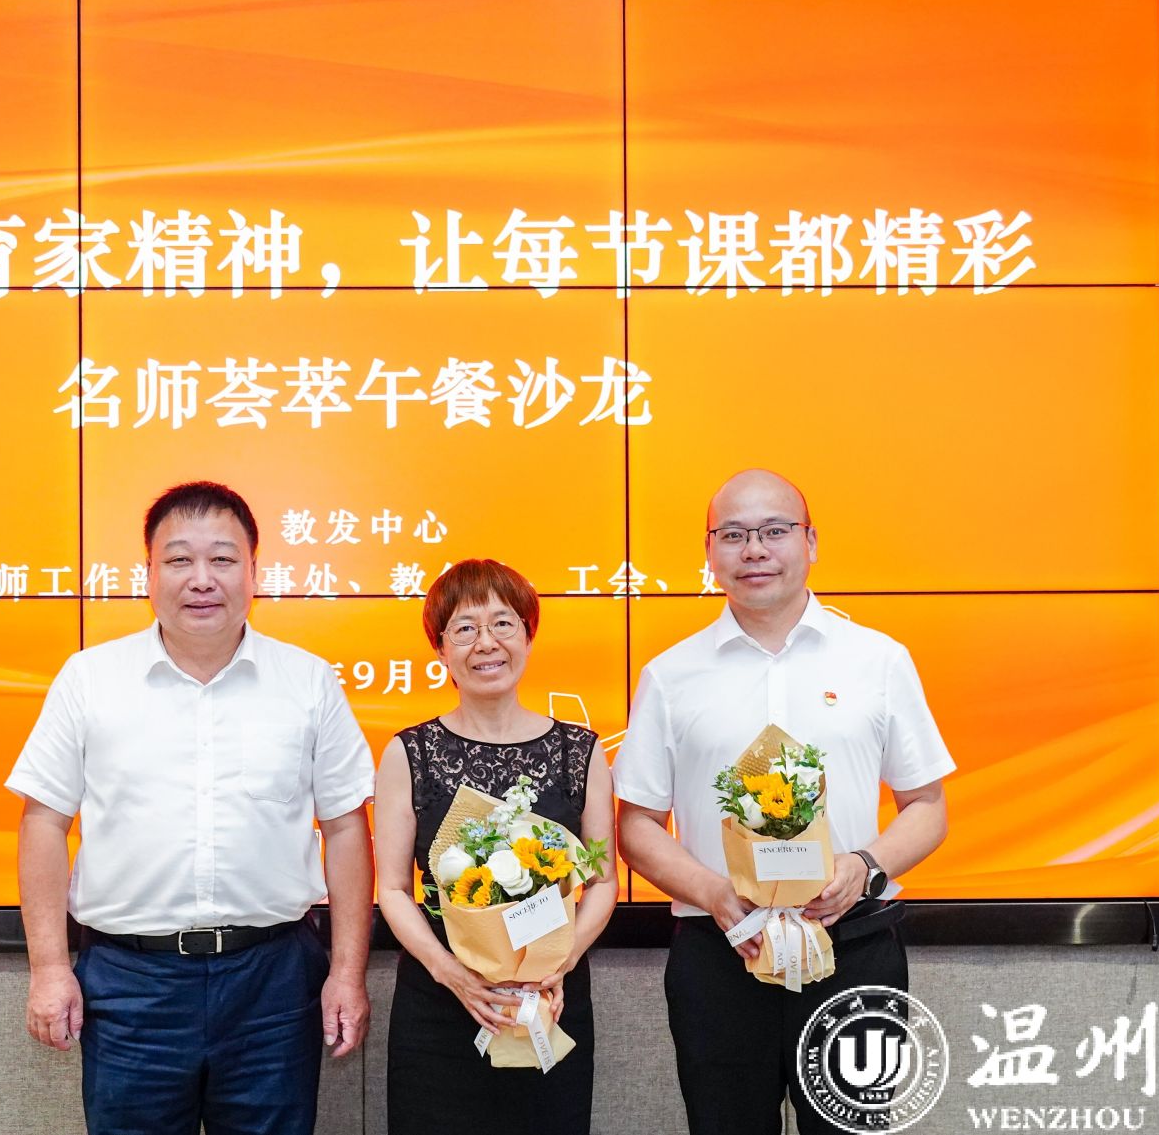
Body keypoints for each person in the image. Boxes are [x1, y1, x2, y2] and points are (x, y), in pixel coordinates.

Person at [7, 481, 376, 1135]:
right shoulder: (90, 679)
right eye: (179, 559)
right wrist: (50, 968)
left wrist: (347, 972)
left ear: (254, 572)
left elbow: (347, 828)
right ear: (147, 574)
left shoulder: (308, 681)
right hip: (130, 983)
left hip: (272, 982)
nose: (201, 579)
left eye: (222, 559)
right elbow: (44, 822)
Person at [614, 469, 954, 1135]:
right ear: (710, 551)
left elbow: (928, 806)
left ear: (811, 542)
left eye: (774, 531)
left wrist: (863, 866)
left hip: (854, 945)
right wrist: (714, 893)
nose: (755, 550)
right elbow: (638, 826)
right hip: (722, 953)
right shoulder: (671, 675)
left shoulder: (878, 660)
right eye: (733, 535)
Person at [374, 559, 616, 1135]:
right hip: (440, 1003)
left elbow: (603, 880)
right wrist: (452, 973)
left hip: (550, 997)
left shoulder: (579, 752)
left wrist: (559, 964)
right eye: (465, 628)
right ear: (440, 649)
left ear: (528, 636)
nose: (487, 643)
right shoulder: (409, 753)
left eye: (503, 623)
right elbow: (393, 889)